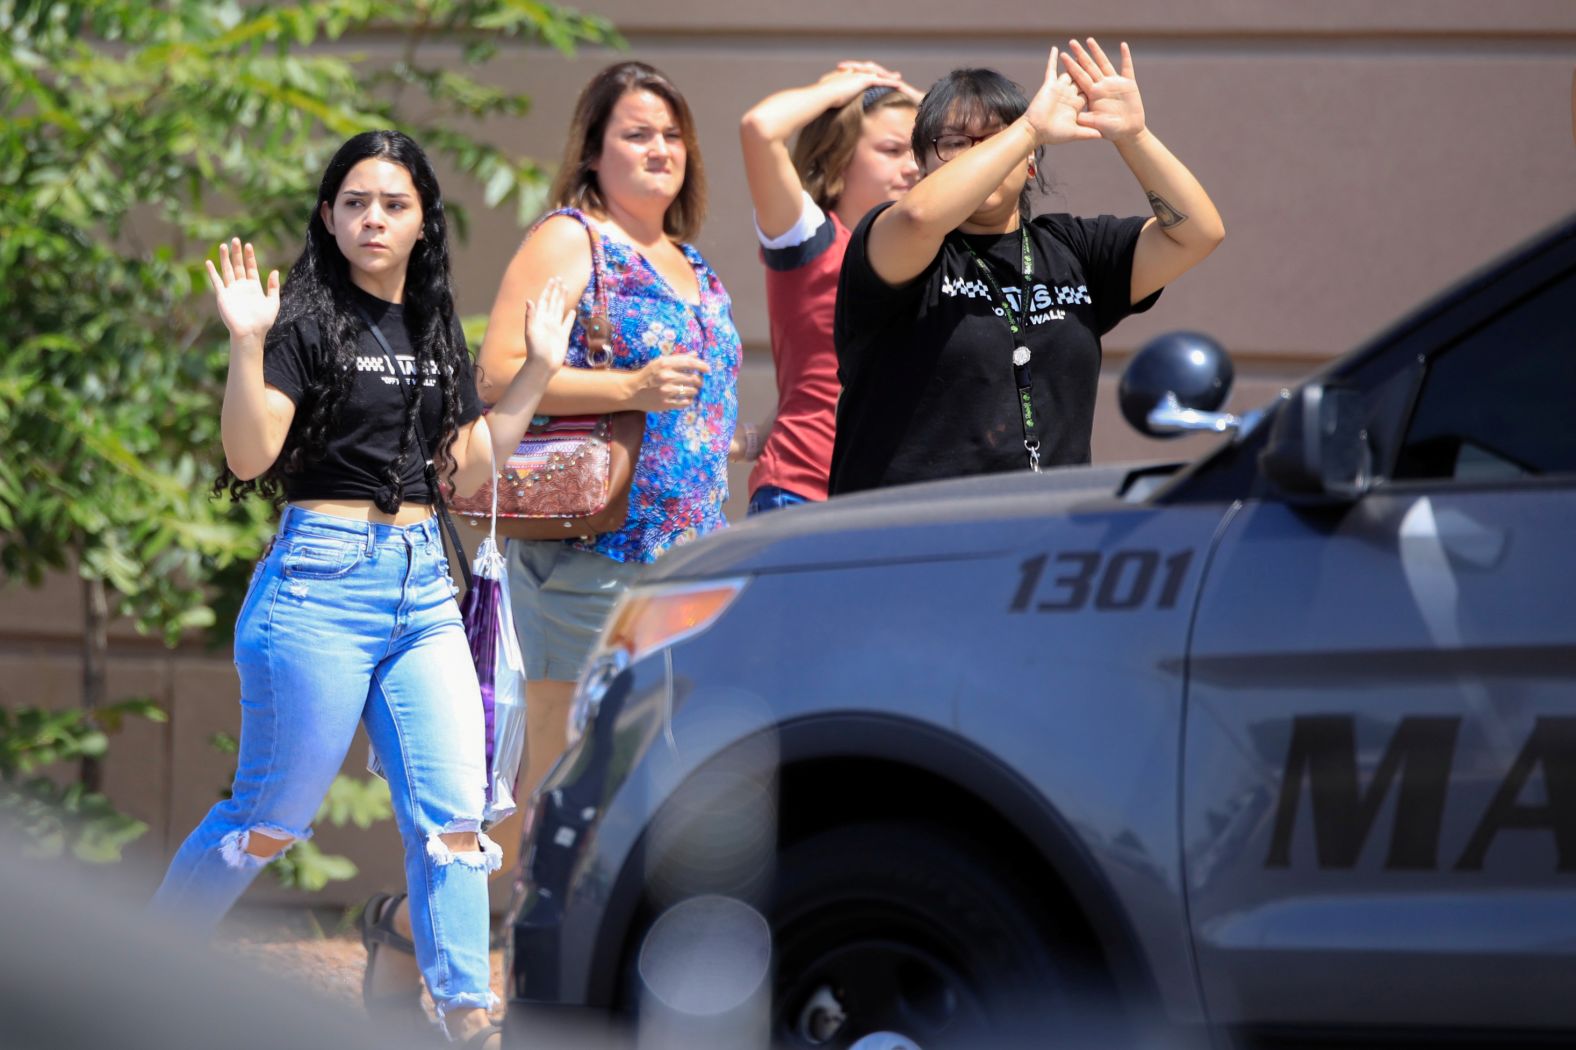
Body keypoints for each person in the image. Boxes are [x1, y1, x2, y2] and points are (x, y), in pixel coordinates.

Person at [149, 129, 574, 1050]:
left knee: (455, 819)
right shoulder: (301, 321)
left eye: (393, 204)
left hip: (423, 592)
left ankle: (468, 1017)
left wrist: (538, 368)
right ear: (330, 219)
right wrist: (245, 344)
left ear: (424, 222)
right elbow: (250, 454)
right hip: (318, 589)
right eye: (354, 202)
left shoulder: (432, 330)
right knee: (268, 821)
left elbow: (465, 467)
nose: (372, 218)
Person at [362, 60, 742, 1016]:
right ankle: (492, 963)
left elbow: (686, 393)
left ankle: (455, 942)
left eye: (671, 134)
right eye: (636, 133)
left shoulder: (691, 260)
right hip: (592, 562)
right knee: (571, 786)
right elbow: (496, 375)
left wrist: (708, 433)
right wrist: (632, 390)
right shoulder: (575, 241)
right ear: (594, 149)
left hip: (689, 559)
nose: (658, 149)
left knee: (658, 777)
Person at [829, 39, 1225, 494]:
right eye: (954, 143)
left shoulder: (1073, 248)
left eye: (994, 138)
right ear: (922, 165)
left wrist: (1134, 137)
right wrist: (1028, 129)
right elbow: (919, 217)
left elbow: (1197, 234)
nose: (976, 154)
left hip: (1041, 535)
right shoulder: (892, 238)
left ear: (1032, 165)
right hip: (908, 535)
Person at [735, 62, 922, 512]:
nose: (913, 167)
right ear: (839, 159)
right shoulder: (810, 235)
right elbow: (759, 128)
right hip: (804, 496)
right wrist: (837, 89)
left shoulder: (930, 250)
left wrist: (912, 97)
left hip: (897, 504)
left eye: (917, 150)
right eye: (892, 150)